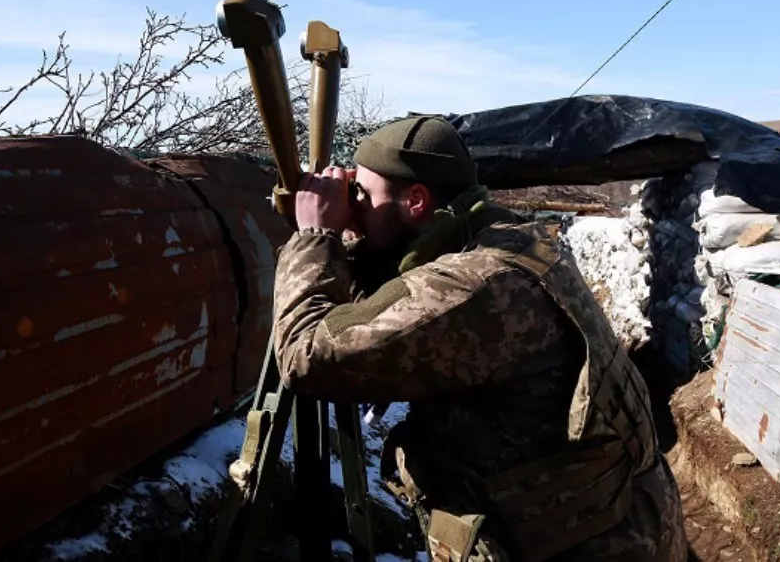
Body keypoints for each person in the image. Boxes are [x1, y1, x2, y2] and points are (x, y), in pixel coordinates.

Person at [271, 115, 688, 561]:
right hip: (615, 521)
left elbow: (305, 355)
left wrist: (316, 237)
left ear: (416, 200)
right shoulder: (506, 237)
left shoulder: (474, 284)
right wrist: (356, 235)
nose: (352, 203)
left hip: (585, 546)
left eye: (362, 193)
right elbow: (398, 284)